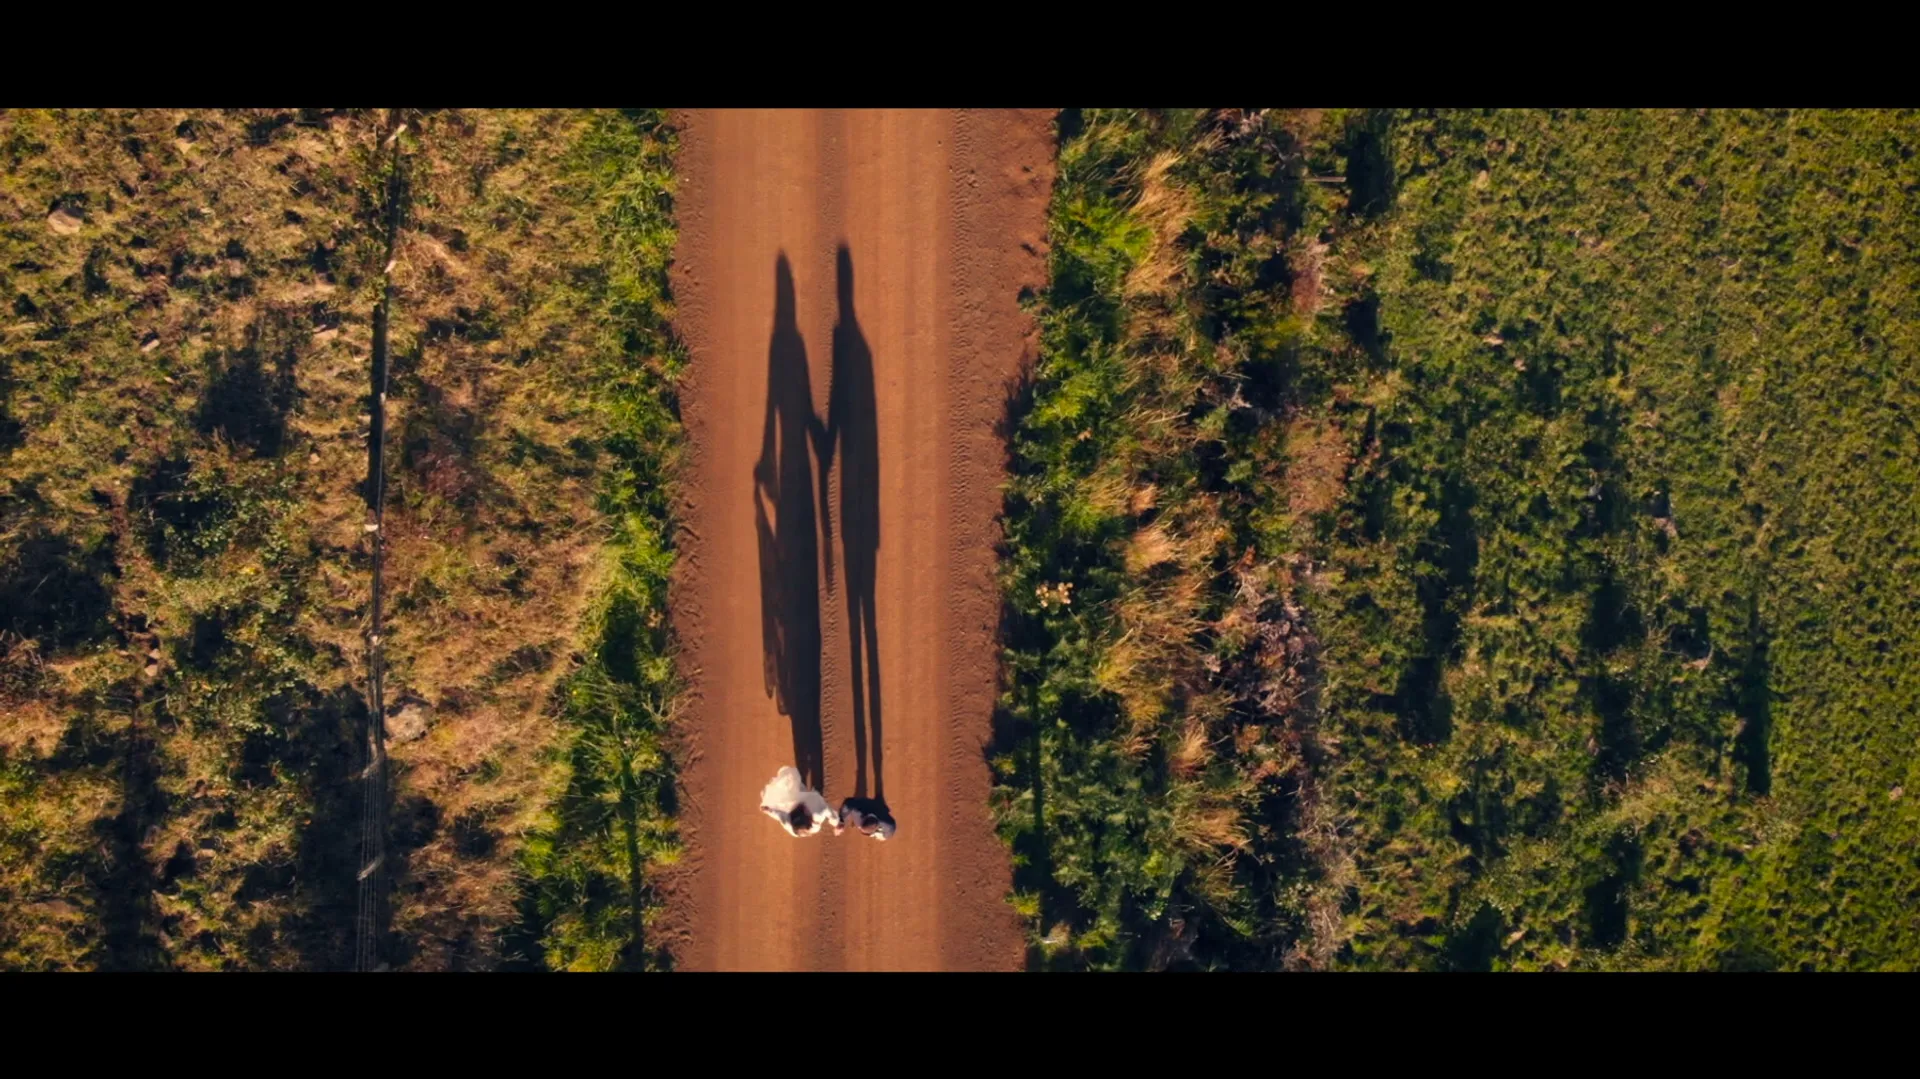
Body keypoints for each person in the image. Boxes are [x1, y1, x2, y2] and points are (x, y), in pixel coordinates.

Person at [760, 765, 841, 838]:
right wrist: (837, 824)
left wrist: (768, 810)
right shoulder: (818, 811)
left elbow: (779, 815)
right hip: (810, 800)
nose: (804, 807)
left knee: (797, 790)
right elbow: (829, 812)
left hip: (797, 801)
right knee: (804, 792)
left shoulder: (788, 822)